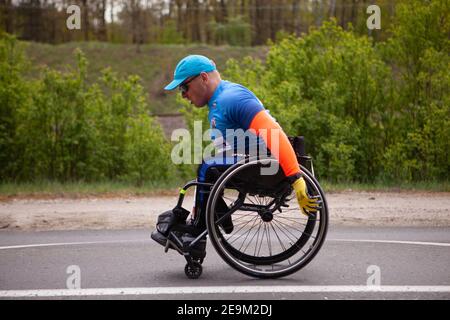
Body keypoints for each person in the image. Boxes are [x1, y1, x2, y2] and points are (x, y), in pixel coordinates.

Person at [151, 55, 318, 255]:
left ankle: (196, 234)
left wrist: (296, 178)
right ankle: (212, 217)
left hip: (263, 167)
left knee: (208, 167)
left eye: (184, 88)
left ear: (203, 78)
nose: (183, 95)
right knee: (206, 171)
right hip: (248, 162)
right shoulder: (218, 100)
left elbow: (273, 132)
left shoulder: (231, 98)